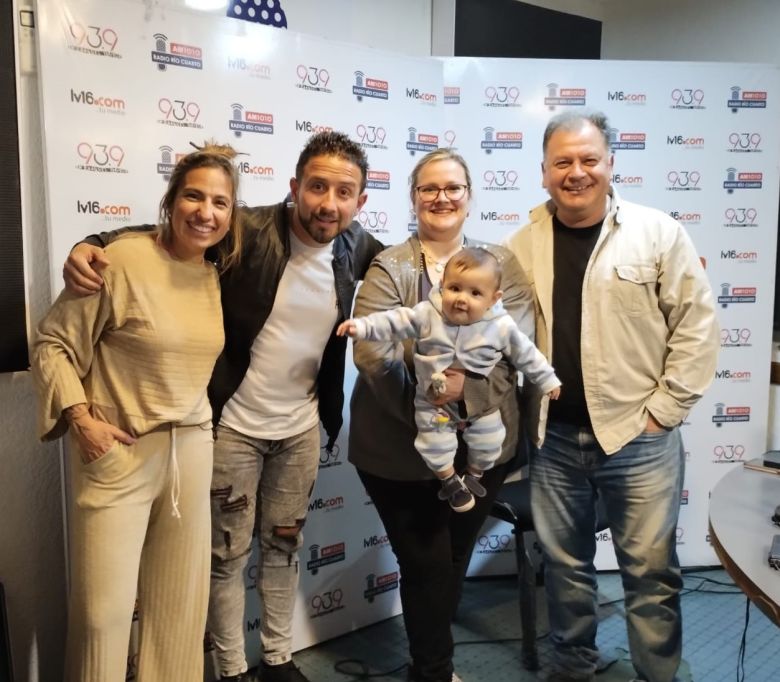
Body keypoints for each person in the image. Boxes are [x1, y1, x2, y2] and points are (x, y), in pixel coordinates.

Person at [63, 131, 383, 682]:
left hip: (302, 428)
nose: (328, 203)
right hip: (232, 425)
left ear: (361, 200)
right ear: (294, 188)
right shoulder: (249, 229)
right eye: (317, 187)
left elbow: (413, 271)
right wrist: (91, 239)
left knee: (284, 548)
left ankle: (279, 660)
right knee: (225, 558)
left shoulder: (359, 249)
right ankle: (233, 669)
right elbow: (167, 236)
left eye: (343, 192)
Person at [504, 111, 720, 682]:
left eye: (588, 159)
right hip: (552, 442)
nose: (576, 172)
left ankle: (657, 675)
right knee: (565, 568)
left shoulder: (658, 232)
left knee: (650, 574)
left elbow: (697, 327)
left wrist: (663, 414)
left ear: (610, 164)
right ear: (544, 172)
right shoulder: (520, 247)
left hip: (638, 438)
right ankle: (574, 668)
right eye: (562, 162)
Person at [33, 142, 242, 681]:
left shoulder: (214, 274)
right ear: (170, 201)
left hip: (191, 451)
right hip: (118, 453)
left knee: (178, 611)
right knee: (102, 616)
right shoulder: (119, 260)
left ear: (231, 214)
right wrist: (81, 420)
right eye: (194, 196)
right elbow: (53, 342)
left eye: (220, 202)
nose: (206, 211)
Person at [348, 148, 535, 681]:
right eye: (429, 188)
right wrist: (432, 419)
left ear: (469, 196)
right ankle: (434, 672)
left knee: (452, 558)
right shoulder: (391, 265)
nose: (441, 197)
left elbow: (516, 349)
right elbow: (373, 356)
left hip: (483, 451)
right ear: (413, 198)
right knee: (428, 563)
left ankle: (429, 661)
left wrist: (462, 402)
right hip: (399, 451)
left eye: (453, 187)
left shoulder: (503, 265)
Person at [338, 246, 560, 512]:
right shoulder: (427, 314)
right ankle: (450, 481)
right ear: (443, 285)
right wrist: (362, 327)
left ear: (493, 298)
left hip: (481, 405)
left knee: (490, 441)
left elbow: (527, 355)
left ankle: (474, 475)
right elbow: (394, 321)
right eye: (455, 288)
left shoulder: (500, 326)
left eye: (475, 293)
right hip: (433, 399)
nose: (461, 299)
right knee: (433, 442)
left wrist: (548, 380)